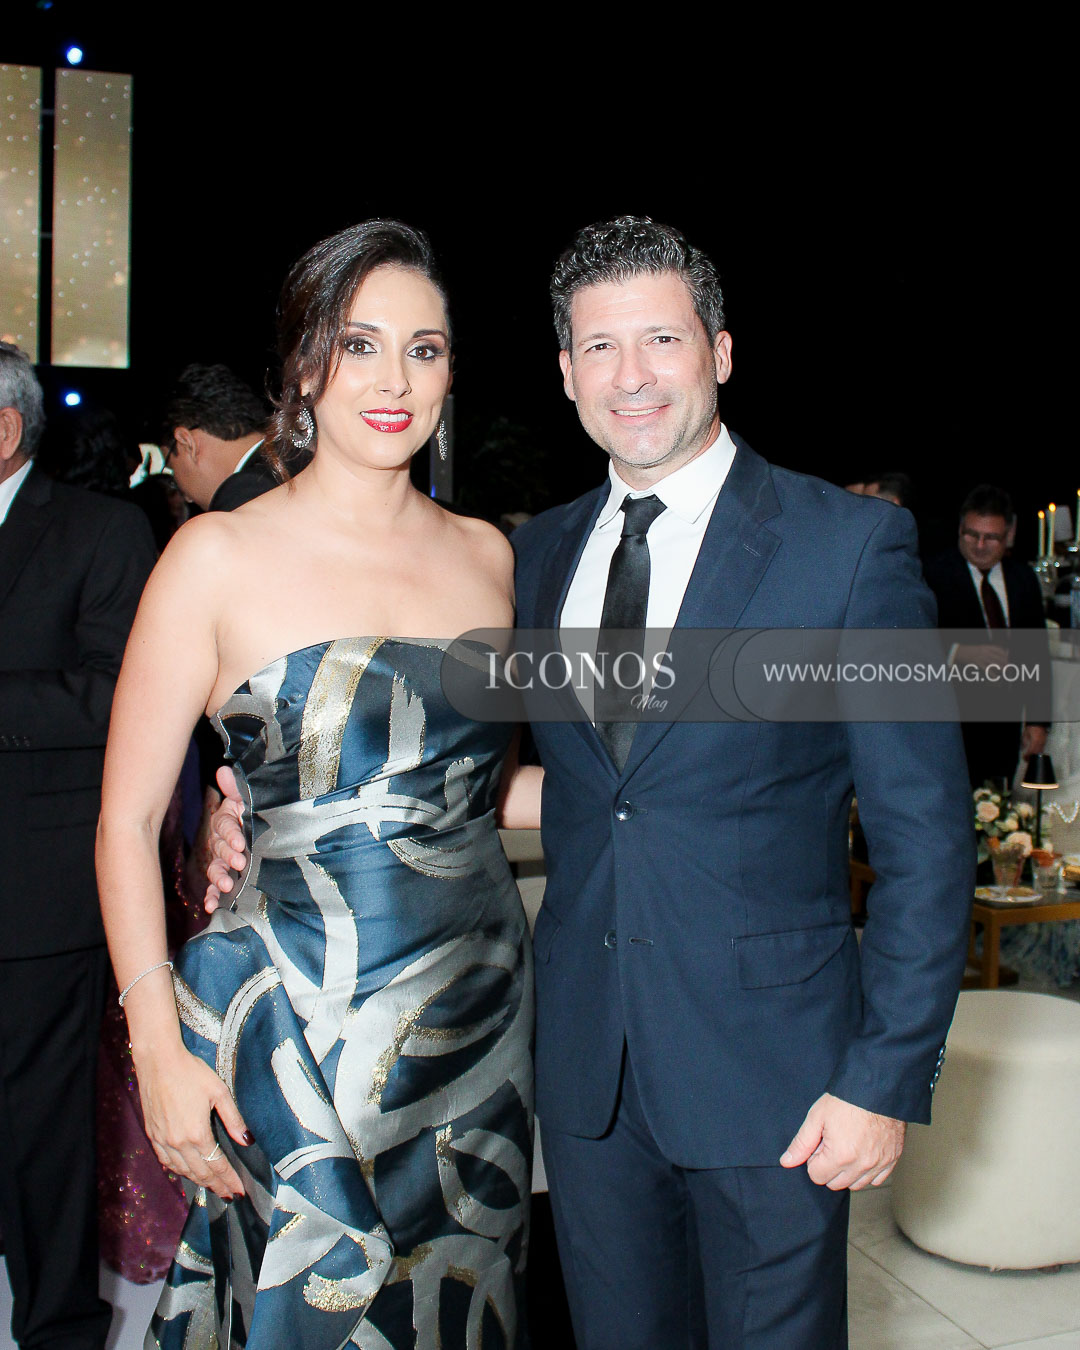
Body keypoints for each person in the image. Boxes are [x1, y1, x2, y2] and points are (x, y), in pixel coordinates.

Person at [208, 216, 974, 1348]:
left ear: (720, 352)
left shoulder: (848, 549)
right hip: (579, 1078)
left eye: (662, 340)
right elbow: (477, 779)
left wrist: (885, 1078)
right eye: (600, 347)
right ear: (566, 372)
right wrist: (259, 806)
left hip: (778, 1081)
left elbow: (928, 841)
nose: (632, 376)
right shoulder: (531, 558)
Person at [97, 222, 539, 1349]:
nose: (395, 381)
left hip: (479, 1022)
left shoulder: (489, 558)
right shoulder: (214, 557)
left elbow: (470, 795)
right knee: (310, 1306)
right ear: (304, 369)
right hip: (295, 1026)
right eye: (359, 346)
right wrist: (158, 1050)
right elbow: (128, 821)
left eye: (424, 350)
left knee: (457, 1306)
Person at [0, 341, 156, 1349]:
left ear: (5, 429)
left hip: (34, 884)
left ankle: (58, 1328)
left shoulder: (101, 531)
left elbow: (120, 697)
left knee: (39, 1129)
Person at [925, 483, 1049, 787]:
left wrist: (1037, 721)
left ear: (1009, 535)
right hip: (949, 728)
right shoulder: (931, 576)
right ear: (959, 529)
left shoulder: (1023, 579)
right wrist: (959, 652)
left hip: (1004, 729)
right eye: (971, 534)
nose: (980, 545)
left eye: (991, 537)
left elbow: (1037, 653)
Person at [162, 362, 276, 511]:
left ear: (187, 443)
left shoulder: (243, 499)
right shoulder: (295, 458)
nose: (186, 497)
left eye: (171, 469)